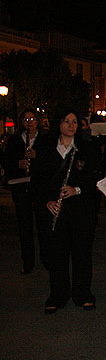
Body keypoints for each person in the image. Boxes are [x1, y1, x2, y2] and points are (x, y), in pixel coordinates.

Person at [31, 107, 99, 313]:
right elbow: (37, 180)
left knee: (82, 254)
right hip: (56, 211)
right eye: (66, 121)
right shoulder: (45, 148)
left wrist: (76, 189)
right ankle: (57, 295)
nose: (71, 126)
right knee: (56, 254)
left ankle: (82, 293)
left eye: (74, 122)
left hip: (80, 210)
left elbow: (95, 178)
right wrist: (46, 202)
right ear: (58, 123)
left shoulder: (86, 148)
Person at [6, 108, 47, 274]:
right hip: (20, 185)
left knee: (43, 223)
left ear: (38, 121)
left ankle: (46, 259)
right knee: (24, 224)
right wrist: (18, 163)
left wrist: (38, 156)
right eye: (25, 119)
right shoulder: (15, 139)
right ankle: (27, 261)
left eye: (32, 119)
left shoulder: (45, 139)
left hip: (39, 185)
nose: (29, 122)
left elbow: (52, 160)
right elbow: (6, 159)